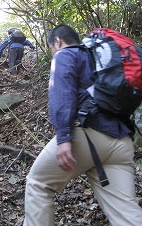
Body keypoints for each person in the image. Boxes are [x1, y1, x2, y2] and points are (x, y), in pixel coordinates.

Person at [23, 24, 142, 225]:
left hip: (88, 135)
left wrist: (64, 138)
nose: (53, 52)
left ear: (58, 41)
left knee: (38, 184)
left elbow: (61, 96)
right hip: (121, 141)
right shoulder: (99, 59)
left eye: (52, 47)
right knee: (126, 213)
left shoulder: (65, 55)